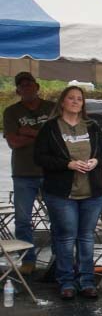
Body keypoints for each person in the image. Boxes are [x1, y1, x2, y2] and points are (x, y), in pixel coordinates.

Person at [33, 85, 102, 300]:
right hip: (62, 194)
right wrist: (67, 164)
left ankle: (87, 281)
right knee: (66, 237)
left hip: (92, 192)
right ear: (62, 102)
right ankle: (66, 281)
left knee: (86, 237)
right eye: (71, 98)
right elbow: (39, 157)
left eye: (79, 98)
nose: (76, 101)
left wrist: (96, 161)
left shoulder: (92, 126)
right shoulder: (50, 128)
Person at [3, 71, 56, 274]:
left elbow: (56, 137)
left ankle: (59, 259)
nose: (26, 88)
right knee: (23, 220)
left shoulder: (51, 108)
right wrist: (42, 135)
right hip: (23, 173)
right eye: (22, 85)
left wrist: (28, 132)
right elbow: (13, 142)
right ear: (18, 90)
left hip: (51, 172)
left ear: (37, 86)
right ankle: (28, 260)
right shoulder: (11, 112)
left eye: (29, 84)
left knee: (57, 217)